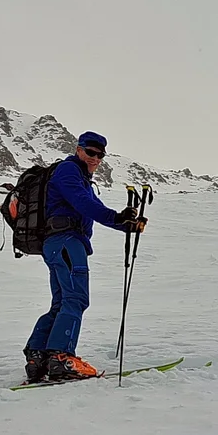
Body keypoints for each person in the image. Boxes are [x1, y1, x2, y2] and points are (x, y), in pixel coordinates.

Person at [23, 131, 146, 383]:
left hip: (58, 243)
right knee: (76, 299)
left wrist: (127, 224)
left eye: (100, 155)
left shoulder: (80, 177)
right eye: (90, 152)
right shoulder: (69, 171)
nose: (95, 158)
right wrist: (116, 217)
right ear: (79, 149)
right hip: (68, 241)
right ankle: (61, 357)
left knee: (62, 301)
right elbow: (82, 203)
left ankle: (38, 357)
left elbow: (91, 207)